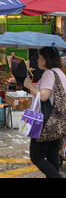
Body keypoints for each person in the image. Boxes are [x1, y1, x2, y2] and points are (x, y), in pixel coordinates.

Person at [23, 47, 65, 178]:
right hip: (57, 123)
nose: (38, 60)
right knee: (52, 157)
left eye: (40, 57)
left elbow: (44, 96)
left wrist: (29, 86)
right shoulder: (60, 73)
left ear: (47, 59)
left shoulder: (49, 73)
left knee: (37, 157)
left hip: (46, 123)